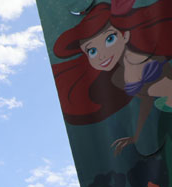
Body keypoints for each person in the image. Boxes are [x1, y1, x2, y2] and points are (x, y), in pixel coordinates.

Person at [52, 0, 172, 154]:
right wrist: (136, 135)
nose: (102, 55)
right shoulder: (118, 79)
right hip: (165, 110)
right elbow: (146, 100)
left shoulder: (151, 56)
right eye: (92, 51)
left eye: (110, 39)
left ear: (125, 35)